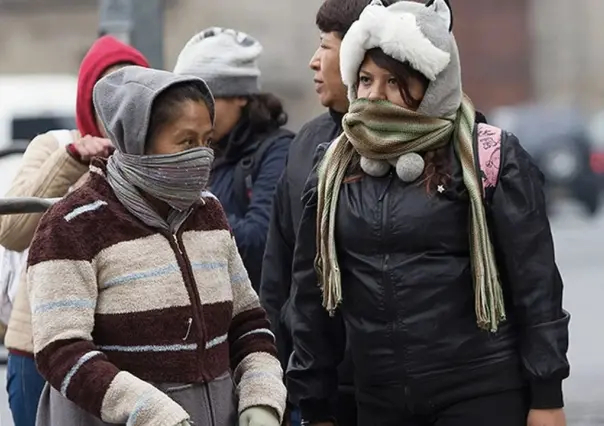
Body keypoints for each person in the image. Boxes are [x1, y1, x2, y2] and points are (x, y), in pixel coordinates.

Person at [287, 1, 570, 426]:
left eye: (394, 81)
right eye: (365, 80)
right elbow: (311, 299)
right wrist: (315, 404)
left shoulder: (488, 156)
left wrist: (546, 398)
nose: (374, 95)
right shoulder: (333, 168)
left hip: (481, 393)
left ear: (432, 87)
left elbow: (536, 286)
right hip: (379, 401)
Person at [26, 66, 286, 426]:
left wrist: (262, 399)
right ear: (137, 142)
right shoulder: (72, 224)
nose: (200, 156)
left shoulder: (208, 213)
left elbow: (247, 323)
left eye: (206, 141)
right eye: (185, 142)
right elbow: (61, 350)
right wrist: (152, 413)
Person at [0, 35, 149, 426]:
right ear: (87, 99)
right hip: (39, 350)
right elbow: (10, 230)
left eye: (131, 93)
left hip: (125, 355)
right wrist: (71, 161)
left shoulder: (156, 161)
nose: (119, 107)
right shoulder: (54, 145)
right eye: (107, 94)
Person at [173, 27, 293, 292]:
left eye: (205, 100)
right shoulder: (202, 150)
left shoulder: (278, 152)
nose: (194, 115)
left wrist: (189, 197)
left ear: (240, 95)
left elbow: (260, 242)